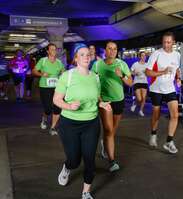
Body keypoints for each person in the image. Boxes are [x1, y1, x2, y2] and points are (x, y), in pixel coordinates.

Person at [54, 43, 111, 199]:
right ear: (76, 58)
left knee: (89, 159)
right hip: (69, 123)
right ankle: (67, 167)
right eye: (82, 54)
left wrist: (101, 103)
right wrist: (68, 106)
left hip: (91, 123)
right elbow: (56, 100)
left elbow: (96, 98)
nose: (86, 57)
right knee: (74, 160)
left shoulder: (96, 77)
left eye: (88, 54)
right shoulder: (68, 75)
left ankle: (86, 192)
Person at [91, 40, 133, 172]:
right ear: (105, 50)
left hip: (119, 100)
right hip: (105, 102)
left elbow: (130, 83)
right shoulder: (97, 65)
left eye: (115, 49)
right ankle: (112, 161)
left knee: (112, 131)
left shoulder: (122, 64)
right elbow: (91, 82)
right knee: (108, 130)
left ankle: (105, 143)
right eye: (110, 48)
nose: (112, 51)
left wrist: (122, 77)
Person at [145, 32, 182, 154]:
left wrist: (178, 78)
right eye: (164, 42)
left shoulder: (177, 55)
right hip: (156, 88)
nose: (166, 44)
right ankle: (153, 134)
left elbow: (177, 69)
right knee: (156, 114)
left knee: (175, 115)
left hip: (170, 88)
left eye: (169, 42)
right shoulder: (157, 53)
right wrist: (162, 72)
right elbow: (148, 72)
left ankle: (169, 141)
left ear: (173, 43)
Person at [33, 43, 65, 135]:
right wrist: (42, 74)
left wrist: (64, 74)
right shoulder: (43, 61)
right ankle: (44, 118)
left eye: (55, 49)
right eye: (52, 49)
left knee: (57, 108)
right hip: (44, 87)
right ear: (48, 51)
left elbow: (63, 72)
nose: (54, 51)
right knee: (47, 109)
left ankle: (53, 127)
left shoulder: (59, 62)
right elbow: (34, 71)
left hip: (57, 88)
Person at [130, 51, 148, 116]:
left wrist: (147, 73)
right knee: (139, 99)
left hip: (144, 82)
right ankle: (135, 103)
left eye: (145, 56)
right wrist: (135, 73)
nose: (144, 57)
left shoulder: (147, 65)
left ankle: (141, 110)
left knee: (143, 98)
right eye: (142, 55)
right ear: (140, 57)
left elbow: (149, 73)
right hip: (137, 82)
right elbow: (130, 72)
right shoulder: (135, 64)